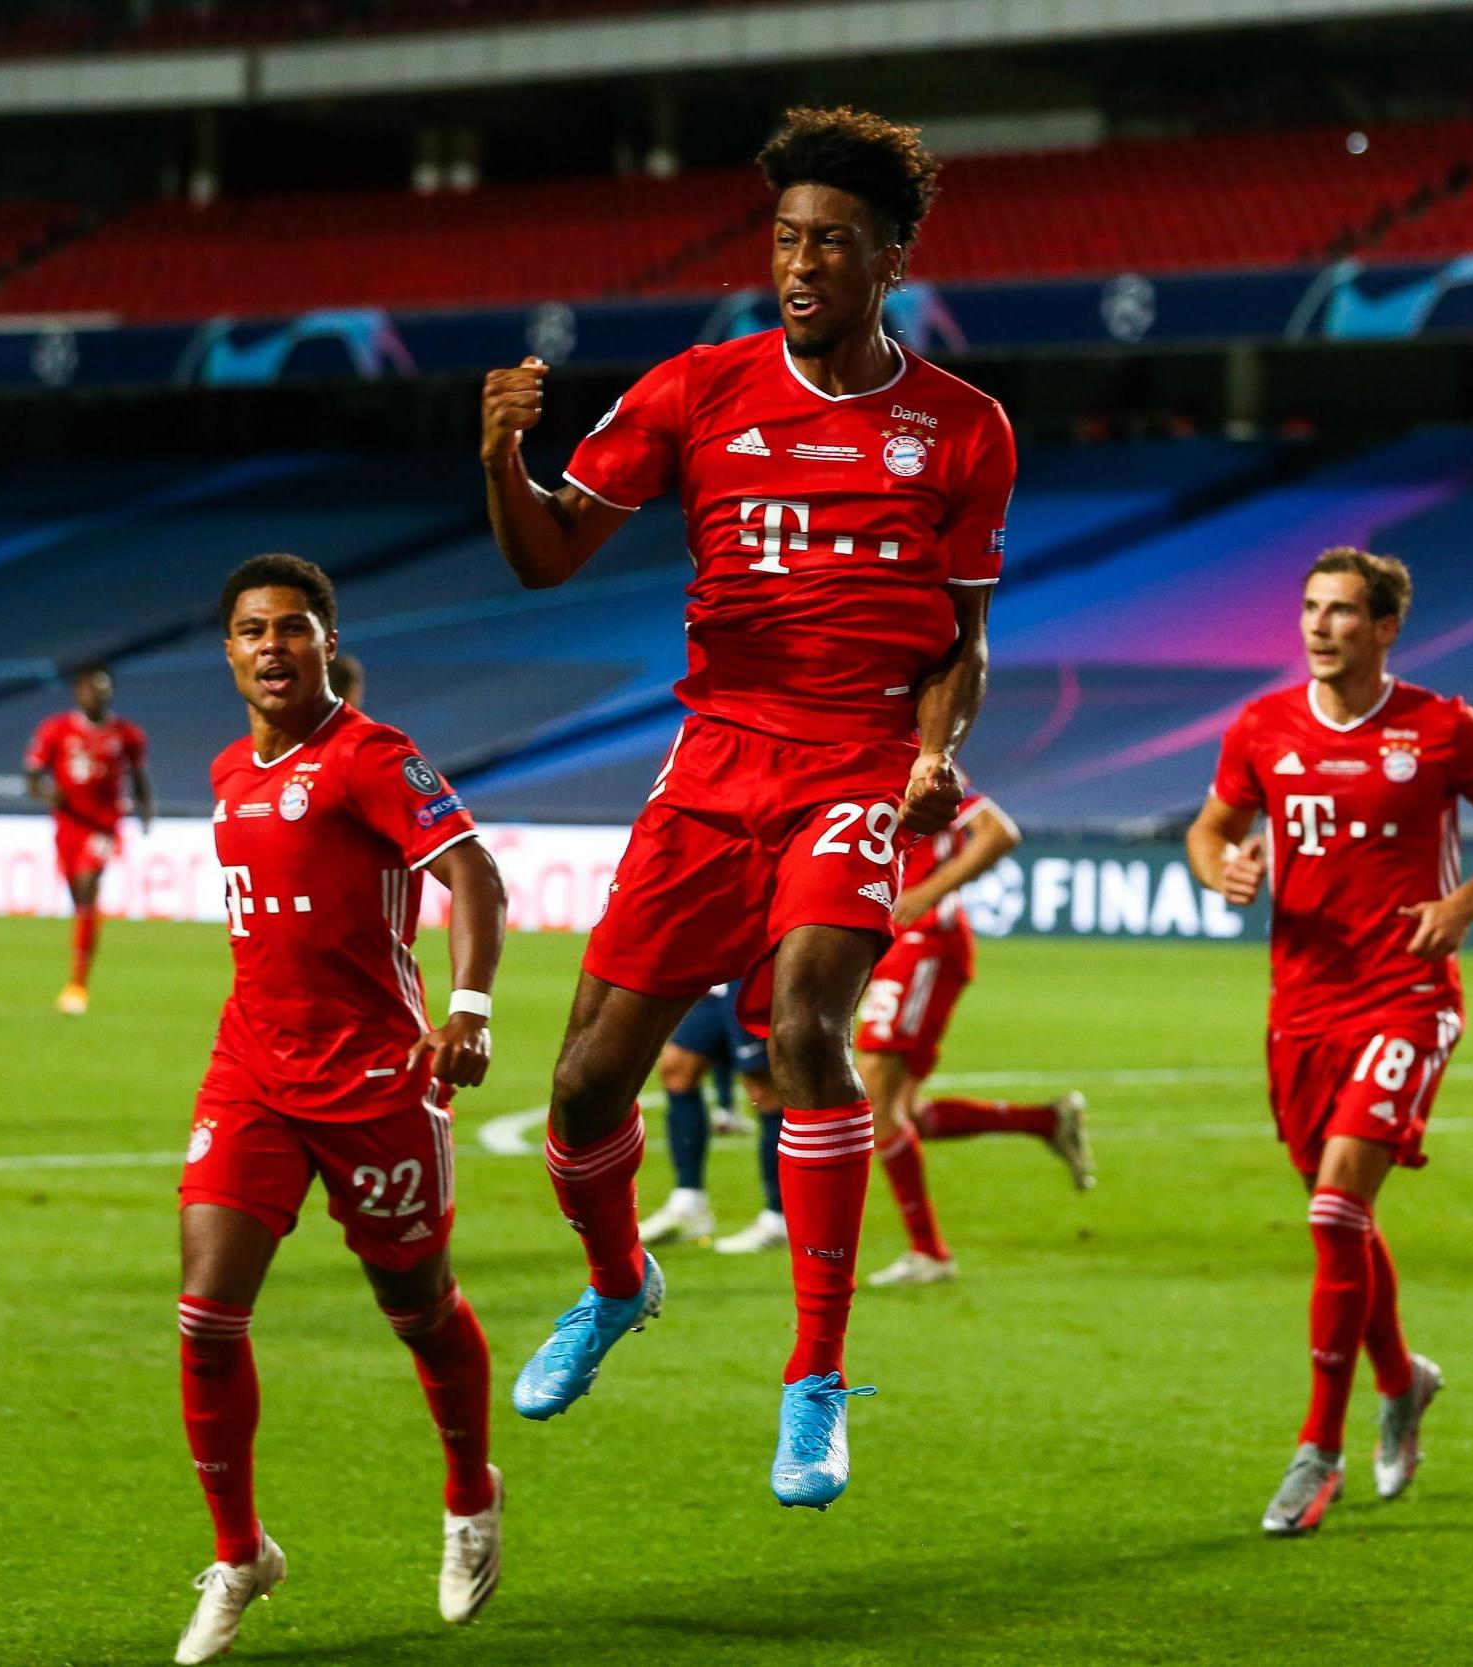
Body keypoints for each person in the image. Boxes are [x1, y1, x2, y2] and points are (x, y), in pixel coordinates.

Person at [480, 106, 1015, 1509]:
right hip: (713, 758)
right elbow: (545, 559)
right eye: (785, 238)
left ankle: (815, 1379)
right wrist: (499, 462)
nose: (799, 263)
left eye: (830, 242)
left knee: (802, 1027)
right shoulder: (695, 390)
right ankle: (617, 1281)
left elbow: (960, 642)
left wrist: (932, 748)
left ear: (887, 259)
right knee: (587, 1076)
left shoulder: (961, 430)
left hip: (850, 764)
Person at [171, 554, 511, 1662]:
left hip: (376, 1081)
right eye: (251, 630)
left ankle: (470, 1493)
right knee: (206, 1319)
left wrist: (466, 1009)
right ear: (227, 652)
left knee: (416, 1308)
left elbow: (473, 877)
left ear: (326, 643)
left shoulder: (372, 757)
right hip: (253, 1075)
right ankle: (241, 1553)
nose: (271, 645)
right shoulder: (227, 769)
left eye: (292, 628)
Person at [1186, 547, 1473, 1537]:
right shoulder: (1261, 724)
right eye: (1308, 607)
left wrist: (1464, 902)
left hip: (1406, 994)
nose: (1317, 625)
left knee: (1332, 1203)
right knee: (1339, 1215)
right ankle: (1403, 1378)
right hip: (1299, 1005)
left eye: (1341, 611)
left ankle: (1317, 1451)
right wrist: (1220, 866)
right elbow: (1209, 824)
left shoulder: (1443, 727)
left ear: (1384, 626)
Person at [858, 782, 1093, 1288]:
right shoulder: (856, 751)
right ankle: (1047, 1121)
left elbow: (997, 832)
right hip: (902, 943)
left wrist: (926, 892)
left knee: (877, 1098)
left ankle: (929, 1252)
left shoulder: (918, 760)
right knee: (903, 1111)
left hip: (922, 942)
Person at [24, 663, 151, 1015]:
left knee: (88, 884)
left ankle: (78, 984)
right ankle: (82, 955)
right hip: (68, 826)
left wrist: (146, 811)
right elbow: (32, 777)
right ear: (78, 692)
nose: (97, 694)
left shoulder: (126, 734)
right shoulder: (56, 730)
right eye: (91, 688)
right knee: (78, 898)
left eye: (103, 688)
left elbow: (139, 777)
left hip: (104, 825)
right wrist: (49, 794)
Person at [637, 984, 787, 1251]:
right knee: (677, 1068)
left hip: (754, 977)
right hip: (721, 982)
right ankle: (688, 1203)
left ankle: (780, 1218)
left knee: (765, 1089)